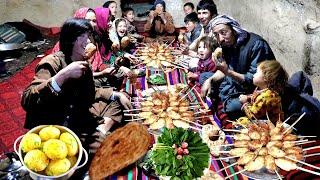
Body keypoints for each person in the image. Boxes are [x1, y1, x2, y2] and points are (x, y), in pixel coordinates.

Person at [21, 19, 132, 154]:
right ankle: (96, 139)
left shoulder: (84, 64)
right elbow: (27, 99)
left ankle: (99, 132)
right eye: (83, 37)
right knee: (114, 151)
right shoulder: (52, 62)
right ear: (71, 39)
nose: (89, 42)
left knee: (121, 98)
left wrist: (115, 94)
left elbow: (88, 94)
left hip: (78, 116)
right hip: (56, 128)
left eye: (89, 37)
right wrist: (62, 76)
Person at [201, 15, 275, 119]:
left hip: (253, 90)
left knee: (232, 107)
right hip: (234, 82)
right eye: (217, 35)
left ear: (234, 30)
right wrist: (211, 79)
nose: (220, 38)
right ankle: (225, 97)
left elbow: (253, 81)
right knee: (204, 78)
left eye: (223, 32)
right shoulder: (226, 44)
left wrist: (227, 72)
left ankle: (225, 99)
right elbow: (225, 70)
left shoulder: (256, 45)